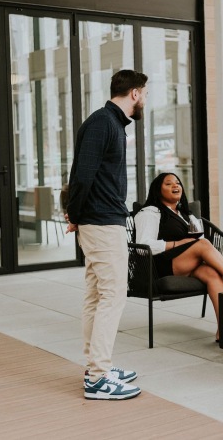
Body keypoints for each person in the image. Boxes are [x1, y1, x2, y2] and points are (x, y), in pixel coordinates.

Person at [66, 69, 146, 400]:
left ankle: (96, 366)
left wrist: (77, 214)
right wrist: (76, 213)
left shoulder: (109, 123)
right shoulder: (103, 122)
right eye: (145, 94)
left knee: (97, 295)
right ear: (135, 94)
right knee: (113, 295)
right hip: (102, 222)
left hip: (99, 219)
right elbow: (82, 174)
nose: (144, 100)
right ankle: (98, 377)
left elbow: (86, 173)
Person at [134, 173, 223, 341]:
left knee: (212, 273)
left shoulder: (185, 214)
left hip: (186, 263)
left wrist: (200, 252)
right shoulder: (150, 212)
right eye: (168, 183)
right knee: (203, 245)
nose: (176, 186)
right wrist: (178, 243)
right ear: (158, 191)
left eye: (178, 183)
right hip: (161, 265)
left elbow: (198, 241)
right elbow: (143, 246)